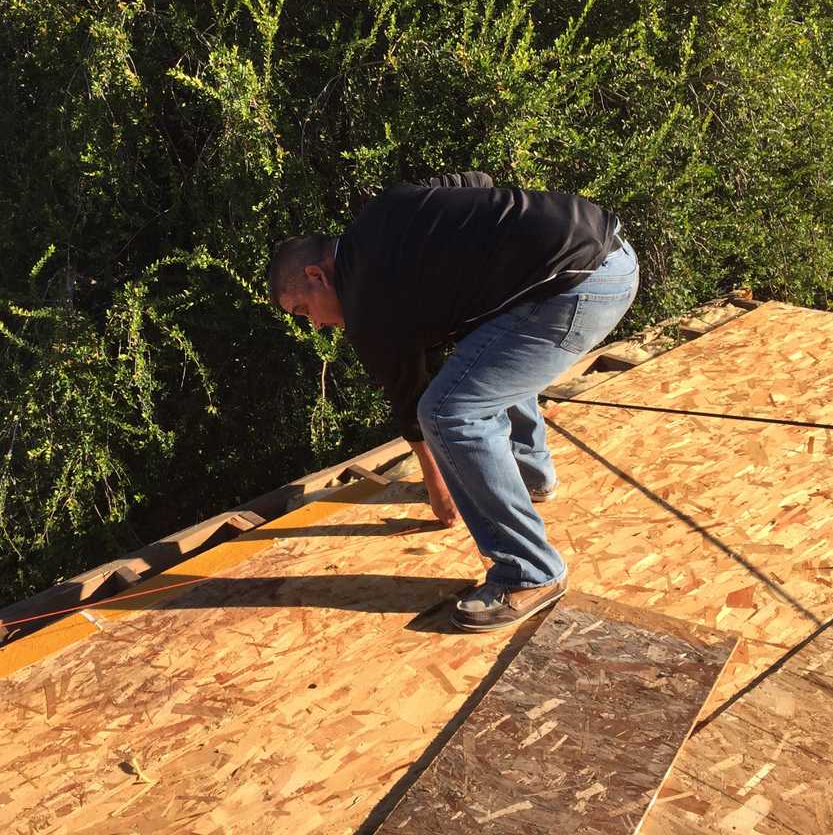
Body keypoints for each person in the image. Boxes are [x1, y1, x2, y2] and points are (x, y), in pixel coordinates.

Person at [267, 172, 638, 631]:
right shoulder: (385, 210)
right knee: (480, 357)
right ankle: (530, 477)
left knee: (450, 412)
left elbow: (413, 406)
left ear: (316, 275)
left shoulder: (366, 299)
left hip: (579, 287)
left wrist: (441, 492)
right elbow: (475, 179)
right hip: (607, 251)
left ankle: (528, 573)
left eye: (304, 312)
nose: (317, 326)